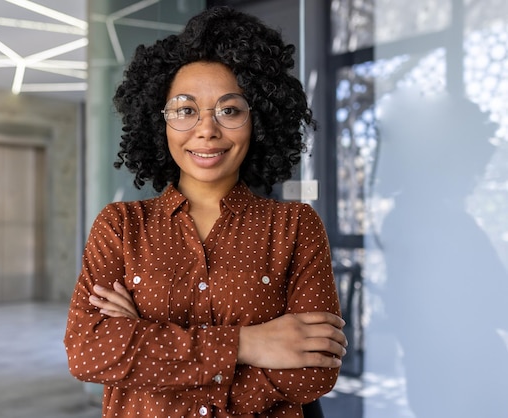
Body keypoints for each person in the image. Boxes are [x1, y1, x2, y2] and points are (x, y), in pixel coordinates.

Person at [64, 6, 347, 418]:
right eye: (185, 109)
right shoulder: (120, 226)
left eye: (229, 110)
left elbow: (311, 373)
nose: (207, 129)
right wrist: (248, 344)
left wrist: (144, 351)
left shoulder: (295, 227)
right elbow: (88, 351)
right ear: (159, 121)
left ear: (259, 119)